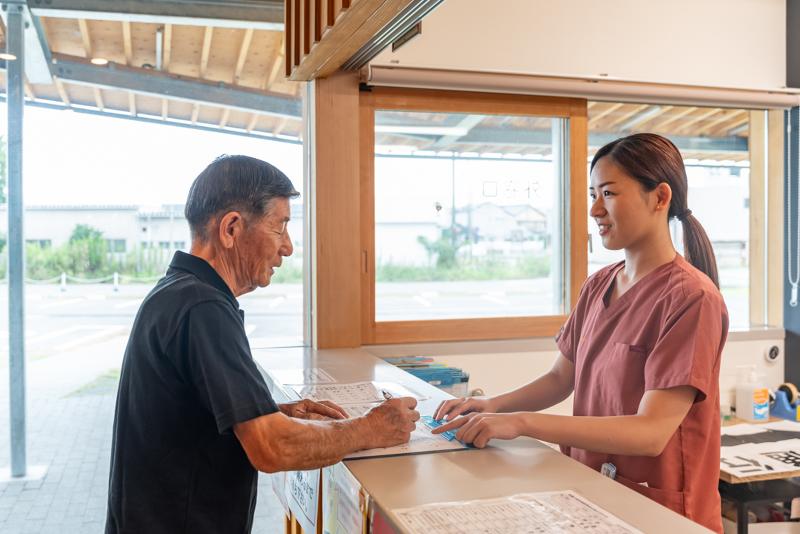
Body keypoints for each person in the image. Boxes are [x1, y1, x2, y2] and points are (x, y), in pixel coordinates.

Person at [105, 155, 419, 534]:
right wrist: (372, 428)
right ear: (232, 228)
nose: (287, 247)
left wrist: (275, 411)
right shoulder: (202, 307)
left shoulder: (181, 293)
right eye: (280, 227)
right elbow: (272, 448)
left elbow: (196, 415)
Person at [433, 133, 728, 533]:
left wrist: (522, 423)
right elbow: (561, 378)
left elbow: (651, 432)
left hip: (662, 511)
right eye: (593, 194)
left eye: (608, 193)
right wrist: (493, 407)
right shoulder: (598, 285)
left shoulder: (692, 298)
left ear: (660, 197)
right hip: (591, 493)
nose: (594, 209)